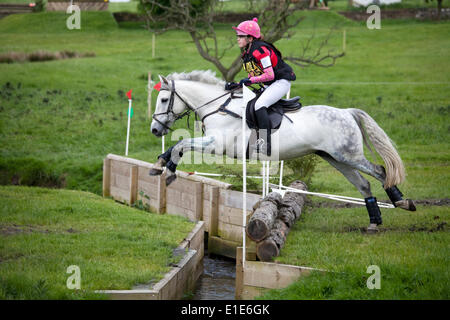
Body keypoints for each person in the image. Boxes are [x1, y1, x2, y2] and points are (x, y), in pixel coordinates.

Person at [232, 17, 296, 156]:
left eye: (241, 36)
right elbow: (255, 74)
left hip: (280, 82)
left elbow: (269, 75)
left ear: (250, 38)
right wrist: (237, 84)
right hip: (270, 84)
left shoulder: (260, 50)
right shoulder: (248, 52)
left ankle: (265, 142)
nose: (237, 39)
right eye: (237, 36)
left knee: (259, 105)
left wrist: (250, 81)